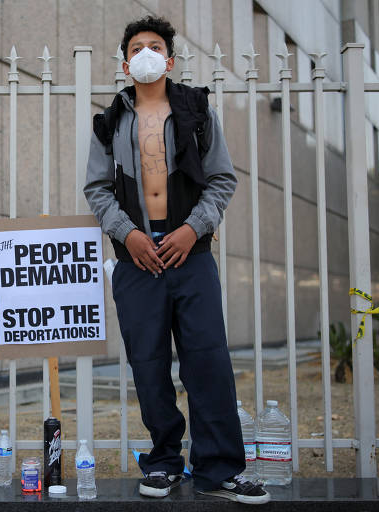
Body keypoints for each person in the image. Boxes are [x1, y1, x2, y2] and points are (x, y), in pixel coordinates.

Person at [84, 16, 269, 505]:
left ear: (169, 60)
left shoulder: (197, 112)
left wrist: (192, 229)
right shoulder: (109, 121)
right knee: (148, 366)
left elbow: (222, 179)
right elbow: (97, 189)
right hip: (137, 261)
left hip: (192, 255)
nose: (145, 53)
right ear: (126, 63)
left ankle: (219, 469)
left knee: (208, 362)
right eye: (136, 48)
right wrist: (129, 235)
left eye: (155, 46)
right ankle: (164, 462)